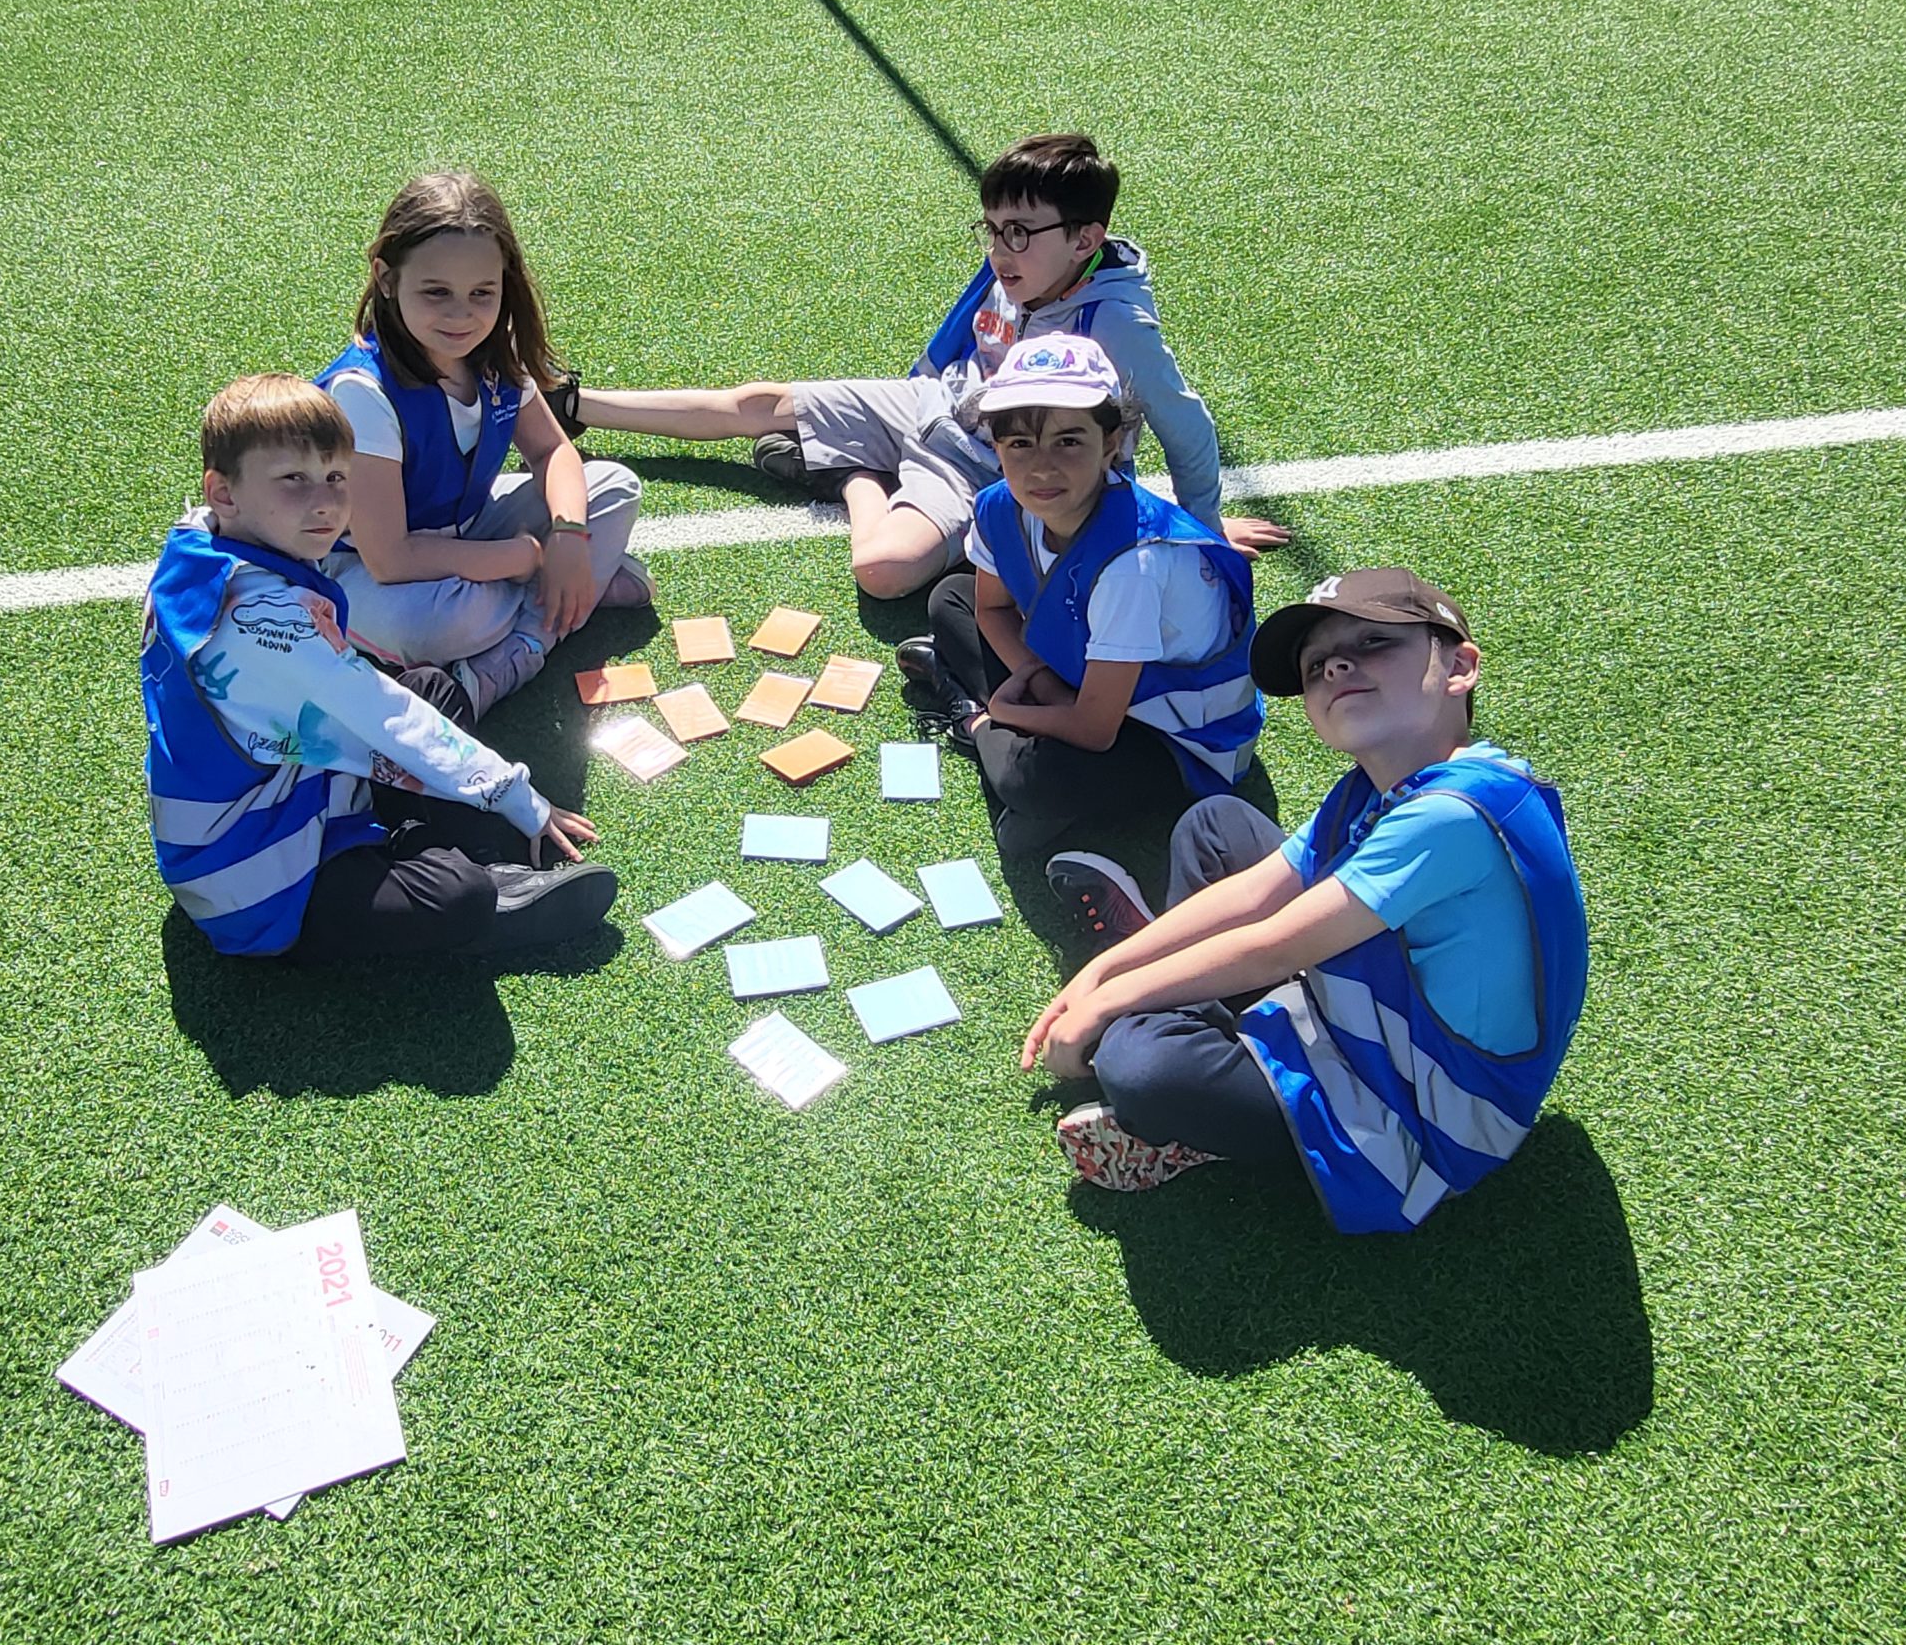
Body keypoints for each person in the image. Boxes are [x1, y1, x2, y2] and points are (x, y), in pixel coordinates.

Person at [1021, 569, 1589, 1233]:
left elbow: (1273, 945)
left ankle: (1189, 1107)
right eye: (1317, 665)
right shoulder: (1381, 787)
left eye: (1374, 642)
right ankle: (1183, 1007)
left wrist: (1107, 1001)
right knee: (1217, 827)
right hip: (1370, 1015)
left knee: (1140, 1066)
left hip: (1422, 1117)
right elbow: (1258, 892)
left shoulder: (1452, 816)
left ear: (1459, 667)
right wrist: (1103, 971)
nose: (1336, 666)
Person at [556, 133, 1288, 598]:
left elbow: (1186, 425)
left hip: (990, 463)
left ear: (1085, 238)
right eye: (991, 229)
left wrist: (1204, 528)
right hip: (937, 402)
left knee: (882, 572)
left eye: (1020, 232)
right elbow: (953, 338)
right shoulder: (1017, 268)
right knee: (761, 402)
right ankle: (576, 404)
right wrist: (903, 406)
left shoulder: (1117, 322)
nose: (1000, 251)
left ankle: (852, 478)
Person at [142, 372, 618, 962]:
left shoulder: (200, 543)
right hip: (257, 876)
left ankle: (451, 848)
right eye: (293, 480)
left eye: (336, 477)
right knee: (457, 894)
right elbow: (383, 715)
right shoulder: (259, 622)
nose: (324, 502)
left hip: (293, 785)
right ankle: (467, 872)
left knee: (431, 687)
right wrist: (516, 796)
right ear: (224, 492)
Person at [894, 334, 1260, 862]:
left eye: (1068, 441)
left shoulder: (1135, 564)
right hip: (1079, 677)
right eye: (1020, 444)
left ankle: (976, 723)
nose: (1042, 468)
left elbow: (1095, 729)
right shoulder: (998, 506)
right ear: (995, 444)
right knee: (951, 599)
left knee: (1035, 783)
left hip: (1171, 736)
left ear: (1112, 443)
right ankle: (1018, 752)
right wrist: (1041, 680)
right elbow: (990, 608)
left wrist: (1003, 709)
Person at [315, 172, 651, 725]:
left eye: (481, 294)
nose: (461, 315)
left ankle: (525, 639)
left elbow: (552, 453)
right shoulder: (363, 391)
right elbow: (390, 558)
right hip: (368, 573)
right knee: (444, 624)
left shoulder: (494, 357)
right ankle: (565, 600)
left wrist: (569, 537)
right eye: (436, 292)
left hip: (468, 532)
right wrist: (524, 559)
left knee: (615, 486)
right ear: (386, 278)